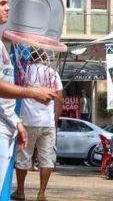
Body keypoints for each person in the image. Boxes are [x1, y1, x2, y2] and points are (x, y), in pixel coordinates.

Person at [0, 0, 58, 197]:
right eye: (2, 3)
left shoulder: (2, 46)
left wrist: (16, 121)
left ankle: (32, 192)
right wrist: (33, 93)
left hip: (9, 125)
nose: (7, 8)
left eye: (7, 3)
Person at [11, 58, 63, 201]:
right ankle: (41, 193)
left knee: (23, 157)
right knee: (46, 159)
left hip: (27, 121)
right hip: (47, 123)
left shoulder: (24, 71)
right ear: (46, 58)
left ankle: (20, 191)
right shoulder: (53, 73)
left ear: (30, 57)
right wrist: (54, 121)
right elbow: (60, 101)